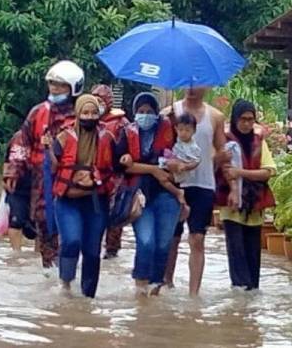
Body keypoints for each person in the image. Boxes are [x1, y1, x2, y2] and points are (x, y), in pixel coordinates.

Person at [3, 60, 84, 271]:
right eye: (52, 84)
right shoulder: (38, 113)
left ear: (73, 88)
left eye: (60, 85)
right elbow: (23, 142)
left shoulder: (81, 115)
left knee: (73, 237)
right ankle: (52, 277)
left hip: (72, 185)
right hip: (42, 185)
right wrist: (14, 169)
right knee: (46, 231)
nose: (54, 89)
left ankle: (69, 275)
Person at [45, 94, 116, 298]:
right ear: (78, 114)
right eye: (85, 112)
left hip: (96, 201)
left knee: (93, 249)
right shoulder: (64, 137)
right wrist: (48, 148)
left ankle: (88, 297)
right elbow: (54, 167)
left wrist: (95, 178)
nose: (90, 117)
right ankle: (65, 284)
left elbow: (116, 168)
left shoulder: (108, 138)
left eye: (94, 113)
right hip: (68, 200)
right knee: (72, 241)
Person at [163, 87, 229, 296]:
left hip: (203, 185)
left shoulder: (215, 116)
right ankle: (166, 284)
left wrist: (215, 162)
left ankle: (194, 294)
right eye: (188, 82)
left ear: (207, 86)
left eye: (198, 82)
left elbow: (222, 151)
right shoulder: (169, 113)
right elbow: (159, 148)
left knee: (197, 238)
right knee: (171, 237)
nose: (192, 88)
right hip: (175, 184)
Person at [116, 92, 184, 296]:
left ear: (156, 113)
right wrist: (153, 170)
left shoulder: (172, 130)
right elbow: (121, 167)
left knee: (164, 244)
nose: (145, 115)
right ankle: (140, 287)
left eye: (149, 111)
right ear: (135, 113)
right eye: (141, 111)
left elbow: (186, 158)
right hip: (139, 195)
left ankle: (155, 288)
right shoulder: (127, 133)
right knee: (146, 241)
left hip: (167, 195)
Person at [216, 99, 276, 290]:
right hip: (231, 208)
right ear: (235, 119)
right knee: (237, 255)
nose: (247, 124)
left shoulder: (259, 143)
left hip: (255, 207)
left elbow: (268, 171)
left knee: (253, 257)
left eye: (251, 120)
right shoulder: (224, 142)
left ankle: (250, 300)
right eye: (243, 119)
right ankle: (240, 298)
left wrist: (241, 173)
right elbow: (220, 168)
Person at [92, 84, 130, 259]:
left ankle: (112, 252)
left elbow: (129, 150)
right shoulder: (86, 121)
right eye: (94, 99)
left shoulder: (122, 123)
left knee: (115, 215)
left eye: (101, 100)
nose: (97, 104)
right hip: (93, 175)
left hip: (116, 176)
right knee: (93, 216)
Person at [3, 131, 35, 252]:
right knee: (16, 221)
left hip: (41, 187)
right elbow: (7, 160)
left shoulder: (53, 136)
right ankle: (16, 255)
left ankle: (38, 256)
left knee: (41, 225)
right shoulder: (19, 137)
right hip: (18, 187)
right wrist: (6, 177)